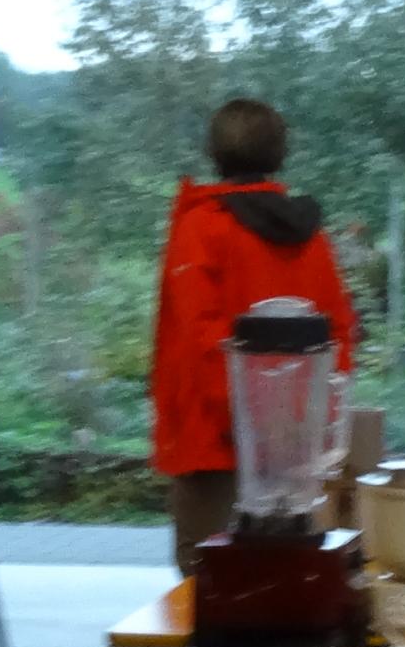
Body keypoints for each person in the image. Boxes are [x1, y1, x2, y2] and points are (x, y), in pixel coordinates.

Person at [151, 97, 364, 570]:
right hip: (295, 452)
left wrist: (251, 431)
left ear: (213, 153)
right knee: (288, 577)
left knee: (209, 580)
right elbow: (338, 334)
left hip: (215, 445)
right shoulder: (310, 237)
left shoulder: (201, 228)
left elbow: (200, 340)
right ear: (279, 154)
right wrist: (302, 430)